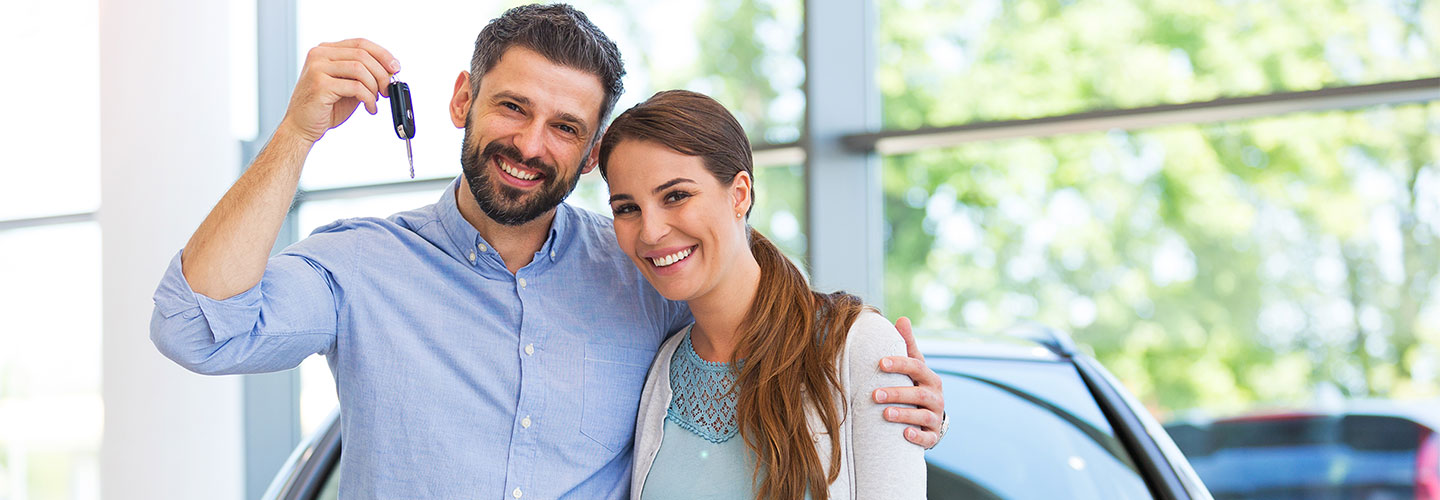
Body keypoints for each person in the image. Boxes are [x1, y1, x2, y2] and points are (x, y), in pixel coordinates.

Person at [150, 4, 945, 499]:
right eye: (511, 107)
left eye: (564, 127)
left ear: (591, 149)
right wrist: (295, 135)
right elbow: (196, 327)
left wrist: (893, 385)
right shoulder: (360, 265)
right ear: (464, 98)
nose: (530, 144)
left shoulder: (639, 270)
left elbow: (762, 321)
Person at [599, 90, 926, 499]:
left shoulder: (856, 347)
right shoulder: (661, 370)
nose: (650, 231)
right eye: (627, 208)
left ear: (739, 194)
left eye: (676, 196)